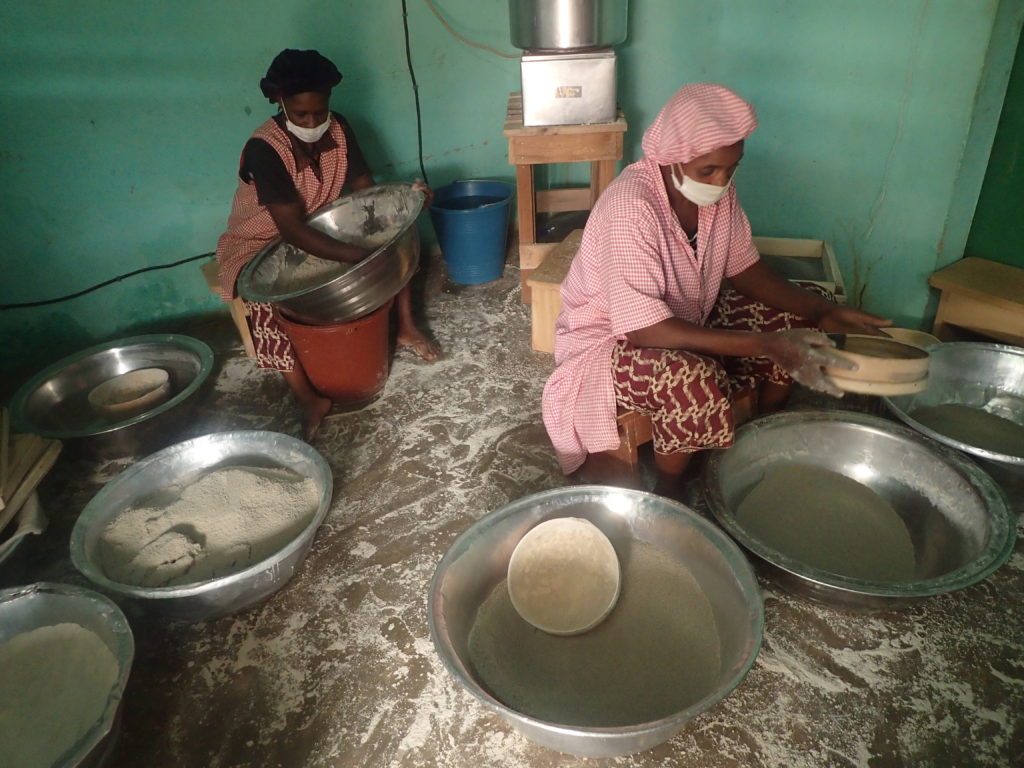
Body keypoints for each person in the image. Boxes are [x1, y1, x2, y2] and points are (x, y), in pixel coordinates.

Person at [541, 83, 890, 495]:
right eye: (708, 170)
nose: (721, 181)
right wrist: (763, 344)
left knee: (792, 325)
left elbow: (745, 268)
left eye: (732, 167)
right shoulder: (631, 207)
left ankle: (757, 441)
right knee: (691, 380)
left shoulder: (714, 195)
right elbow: (645, 331)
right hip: (609, 341)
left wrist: (818, 310)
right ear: (670, 159)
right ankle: (672, 492)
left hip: (686, 314)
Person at [216, 49, 440, 441]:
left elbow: (363, 193)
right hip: (263, 240)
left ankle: (405, 326)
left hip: (325, 222)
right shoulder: (264, 150)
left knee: (394, 239)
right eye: (301, 115)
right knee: (264, 299)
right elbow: (291, 232)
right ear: (280, 103)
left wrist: (403, 206)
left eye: (319, 112)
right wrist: (360, 258)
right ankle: (307, 396)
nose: (313, 122)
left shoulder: (338, 128)